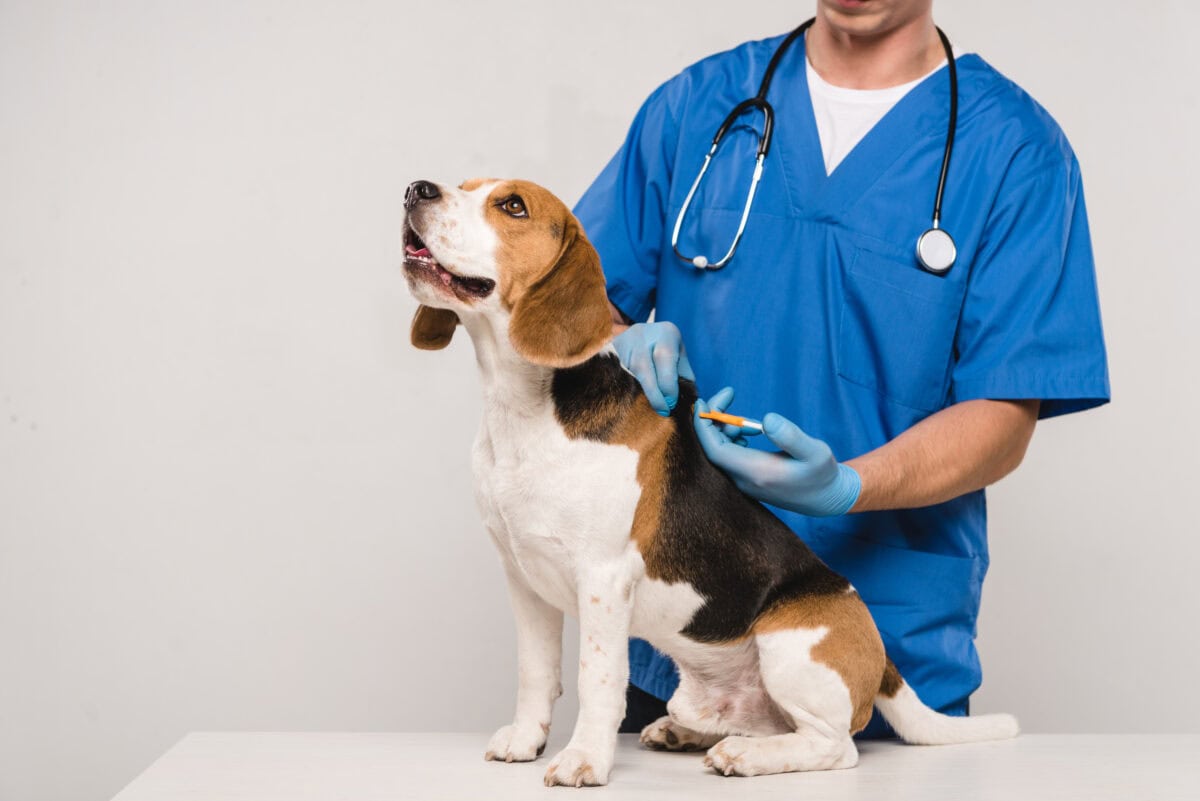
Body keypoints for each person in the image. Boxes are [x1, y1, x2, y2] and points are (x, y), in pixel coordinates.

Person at [573, 0, 1109, 738]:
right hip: (682, 639)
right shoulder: (698, 106)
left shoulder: (1016, 150)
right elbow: (574, 301)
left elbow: (1004, 418)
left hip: (875, 653)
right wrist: (621, 338)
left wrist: (850, 486)